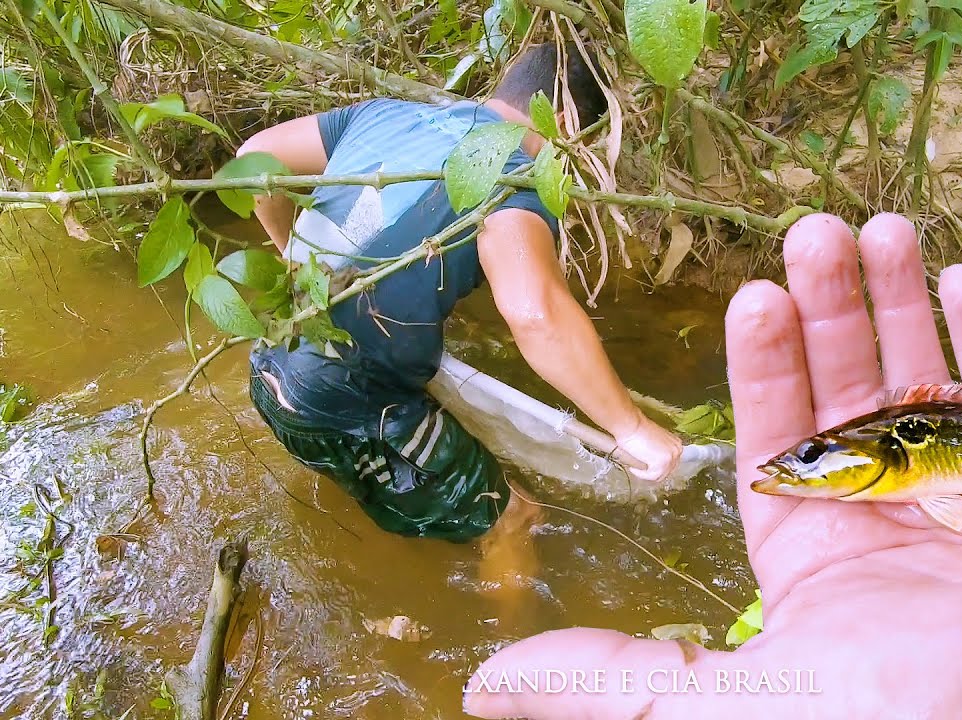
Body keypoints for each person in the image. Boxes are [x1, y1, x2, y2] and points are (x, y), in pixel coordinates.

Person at [461, 212, 962, 719]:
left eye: (808, 458)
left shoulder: (904, 460)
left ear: (883, 455)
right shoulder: (892, 468)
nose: (790, 467)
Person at [235, 41, 682, 546]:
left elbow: (253, 160)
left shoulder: (384, 114)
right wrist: (632, 427)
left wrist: (289, 258)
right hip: (341, 405)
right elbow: (536, 314)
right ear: (564, 124)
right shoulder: (513, 179)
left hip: (269, 357)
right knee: (516, 515)